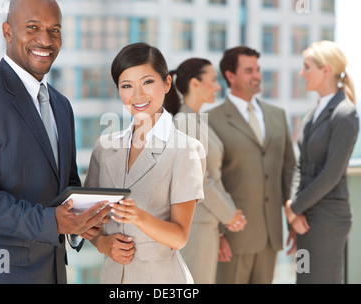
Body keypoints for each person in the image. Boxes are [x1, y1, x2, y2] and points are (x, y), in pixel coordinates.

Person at [0, 0, 110, 284]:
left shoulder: (61, 105)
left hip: (51, 271)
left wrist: (83, 218)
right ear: (7, 31)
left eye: (54, 30)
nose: (45, 40)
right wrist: (51, 221)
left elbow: (65, 184)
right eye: (32, 27)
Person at [84, 43, 206, 284]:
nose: (137, 95)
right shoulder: (105, 147)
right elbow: (88, 220)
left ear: (167, 84)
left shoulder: (185, 149)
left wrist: (138, 217)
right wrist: (102, 244)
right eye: (127, 86)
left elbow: (179, 236)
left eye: (147, 82)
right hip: (112, 278)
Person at [207, 46, 296, 284]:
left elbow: (289, 171)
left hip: (271, 233)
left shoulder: (277, 115)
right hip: (233, 237)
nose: (257, 75)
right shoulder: (211, 120)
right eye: (249, 70)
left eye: (257, 69)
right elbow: (208, 180)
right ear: (230, 76)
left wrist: (293, 221)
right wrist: (219, 233)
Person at [163, 58, 247, 283]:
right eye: (213, 80)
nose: (218, 86)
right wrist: (229, 215)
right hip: (196, 226)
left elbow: (212, 176)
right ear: (195, 83)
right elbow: (200, 180)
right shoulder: (186, 123)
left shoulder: (197, 121)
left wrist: (225, 219)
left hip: (207, 224)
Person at [284, 40, 359, 284]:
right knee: (304, 279)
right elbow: (300, 163)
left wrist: (294, 208)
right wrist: (295, 209)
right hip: (306, 216)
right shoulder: (313, 112)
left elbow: (331, 173)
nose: (301, 73)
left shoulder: (345, 114)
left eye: (307, 67)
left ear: (325, 70)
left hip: (327, 219)